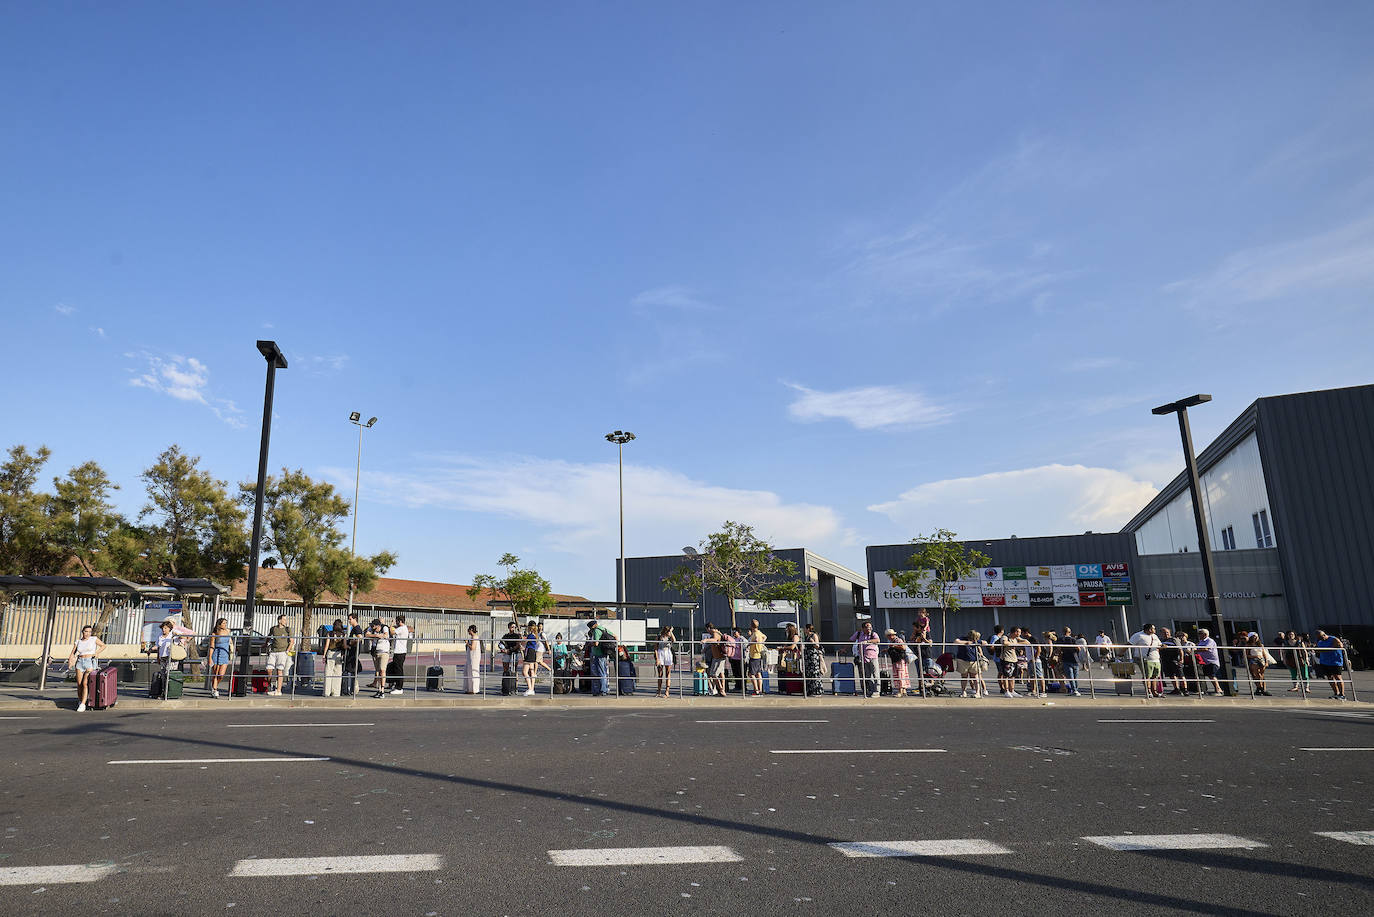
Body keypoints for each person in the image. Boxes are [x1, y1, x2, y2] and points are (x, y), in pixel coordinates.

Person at [68, 624, 106, 712]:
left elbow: (103, 645)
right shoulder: (78, 641)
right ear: (82, 632)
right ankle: (80, 700)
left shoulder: (93, 639)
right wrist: (70, 661)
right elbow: (72, 653)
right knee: (79, 684)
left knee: (85, 683)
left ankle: (83, 704)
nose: (88, 633)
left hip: (89, 662)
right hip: (80, 662)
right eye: (86, 631)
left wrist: (96, 653)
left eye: (89, 632)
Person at [1131, 624, 1163, 697]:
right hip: (1145, 659)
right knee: (1147, 676)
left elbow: (1159, 645)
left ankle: (1154, 691)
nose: (1155, 630)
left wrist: (1163, 646)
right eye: (1154, 628)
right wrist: (1120, 653)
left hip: (1155, 659)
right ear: (1149, 629)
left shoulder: (1154, 636)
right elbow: (1129, 644)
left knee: (1155, 676)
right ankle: (1148, 691)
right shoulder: (1138, 635)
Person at [850, 620, 881, 698]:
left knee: (875, 674)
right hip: (863, 657)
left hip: (873, 657)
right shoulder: (859, 634)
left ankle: (877, 691)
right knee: (867, 675)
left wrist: (867, 641)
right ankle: (870, 690)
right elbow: (851, 640)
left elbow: (878, 640)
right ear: (863, 628)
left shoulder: (873, 634)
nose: (869, 629)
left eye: (870, 627)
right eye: (867, 627)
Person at [1313, 630, 1347, 700]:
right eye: (1318, 638)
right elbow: (1316, 649)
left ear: (1324, 635)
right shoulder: (1319, 641)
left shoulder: (1333, 639)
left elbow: (1340, 646)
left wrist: (1324, 650)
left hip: (1335, 662)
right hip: (1325, 662)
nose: (1320, 639)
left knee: (1338, 677)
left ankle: (1342, 694)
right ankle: (1336, 693)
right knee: (1330, 678)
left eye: (1320, 637)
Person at [266, 614, 293, 697]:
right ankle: (270, 685)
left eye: (286, 619)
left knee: (279, 670)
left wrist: (287, 651)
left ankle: (278, 690)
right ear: (279, 620)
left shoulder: (287, 629)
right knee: (269, 669)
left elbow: (292, 641)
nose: (285, 621)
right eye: (284, 619)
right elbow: (269, 636)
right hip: (273, 651)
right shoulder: (273, 628)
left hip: (282, 652)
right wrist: (265, 644)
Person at [586, 618, 611, 697]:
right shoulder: (604, 629)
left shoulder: (596, 631)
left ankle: (603, 690)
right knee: (604, 672)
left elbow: (596, 643)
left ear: (592, 626)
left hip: (598, 654)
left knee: (601, 672)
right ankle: (605, 689)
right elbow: (615, 636)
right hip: (604, 653)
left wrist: (590, 644)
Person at [953, 630, 982, 698]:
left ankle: (978, 692)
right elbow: (956, 641)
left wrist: (976, 642)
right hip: (963, 660)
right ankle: (963, 692)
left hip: (974, 660)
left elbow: (985, 643)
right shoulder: (962, 638)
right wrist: (966, 642)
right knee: (964, 677)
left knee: (975, 677)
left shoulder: (976, 640)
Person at [208, 617, 232, 698]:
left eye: (226, 623)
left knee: (221, 675)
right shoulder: (215, 633)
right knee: (216, 673)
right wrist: (210, 658)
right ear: (219, 624)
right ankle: (214, 690)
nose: (225, 625)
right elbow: (212, 646)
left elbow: (230, 641)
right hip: (217, 653)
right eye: (224, 623)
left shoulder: (228, 631)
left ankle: (214, 687)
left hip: (225, 654)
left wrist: (232, 650)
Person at [369, 618, 392, 699]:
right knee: (378, 671)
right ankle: (379, 690)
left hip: (384, 652)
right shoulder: (372, 629)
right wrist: (376, 635)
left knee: (382, 670)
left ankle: (382, 690)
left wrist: (379, 635)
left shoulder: (384, 627)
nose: (372, 627)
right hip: (376, 652)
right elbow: (367, 634)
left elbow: (385, 635)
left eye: (374, 626)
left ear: (378, 626)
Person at [701, 623, 727, 696]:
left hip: (718, 658)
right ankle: (721, 690)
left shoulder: (715, 633)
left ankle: (722, 690)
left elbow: (715, 640)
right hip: (718, 657)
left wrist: (706, 640)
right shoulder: (717, 632)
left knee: (713, 674)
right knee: (720, 674)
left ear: (708, 628)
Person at [1195, 628, 1222, 695]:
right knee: (1204, 675)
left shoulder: (1210, 641)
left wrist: (1195, 650)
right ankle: (1204, 689)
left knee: (1211, 675)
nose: (1199, 635)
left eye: (1200, 634)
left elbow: (1206, 648)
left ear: (1205, 634)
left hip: (1211, 661)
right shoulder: (1201, 642)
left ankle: (1218, 689)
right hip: (1204, 662)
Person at [323, 618, 346, 698]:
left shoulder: (330, 633)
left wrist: (323, 655)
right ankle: (336, 692)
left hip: (330, 653)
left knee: (328, 672)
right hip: (339, 654)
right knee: (338, 674)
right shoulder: (343, 634)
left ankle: (326, 692)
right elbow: (344, 645)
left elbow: (326, 645)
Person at [343, 613, 364, 697]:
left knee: (351, 670)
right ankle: (352, 688)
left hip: (353, 653)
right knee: (351, 671)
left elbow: (360, 638)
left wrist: (351, 643)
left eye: (350, 619)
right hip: (352, 653)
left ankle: (351, 689)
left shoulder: (357, 628)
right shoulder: (354, 628)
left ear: (355, 619)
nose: (349, 621)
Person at [1057, 629, 1083, 696]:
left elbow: (1059, 649)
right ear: (1070, 632)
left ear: (1063, 632)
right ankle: (1076, 690)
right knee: (1075, 677)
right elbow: (1079, 649)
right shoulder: (1073, 640)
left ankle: (1074, 690)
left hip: (1066, 659)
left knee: (1070, 676)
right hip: (1074, 659)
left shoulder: (1061, 640)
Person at [885, 630, 911, 697]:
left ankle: (900, 691)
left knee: (900, 675)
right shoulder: (894, 641)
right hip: (896, 659)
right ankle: (904, 691)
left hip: (899, 660)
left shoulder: (898, 640)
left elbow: (903, 647)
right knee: (900, 675)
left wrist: (893, 646)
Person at [389, 615, 410, 694]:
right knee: (395, 668)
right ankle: (395, 685)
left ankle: (399, 688)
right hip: (398, 651)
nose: (396, 623)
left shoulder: (402, 628)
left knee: (399, 670)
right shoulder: (402, 628)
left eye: (397, 621)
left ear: (400, 621)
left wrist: (391, 624)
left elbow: (392, 632)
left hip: (400, 652)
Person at [802, 624, 825, 696]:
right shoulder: (806, 636)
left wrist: (813, 642)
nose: (804, 630)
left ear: (808, 629)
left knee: (814, 672)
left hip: (813, 655)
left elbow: (817, 646)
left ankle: (817, 690)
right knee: (808, 673)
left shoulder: (814, 635)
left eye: (805, 629)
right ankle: (810, 690)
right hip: (808, 656)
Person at [746, 620, 767, 696]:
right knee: (758, 673)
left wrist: (750, 644)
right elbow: (765, 637)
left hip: (754, 655)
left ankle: (756, 690)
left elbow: (756, 640)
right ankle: (760, 689)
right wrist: (761, 644)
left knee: (751, 674)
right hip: (758, 655)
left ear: (751, 626)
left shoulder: (755, 634)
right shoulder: (759, 632)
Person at [654, 626, 676, 697]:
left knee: (668, 673)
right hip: (661, 653)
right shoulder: (659, 637)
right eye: (668, 632)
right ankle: (659, 691)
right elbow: (655, 648)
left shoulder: (669, 637)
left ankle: (667, 691)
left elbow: (674, 640)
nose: (669, 633)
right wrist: (657, 659)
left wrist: (671, 632)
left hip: (668, 653)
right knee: (660, 673)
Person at [464, 625, 483, 694]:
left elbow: (472, 647)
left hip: (474, 657)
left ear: (471, 630)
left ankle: (474, 689)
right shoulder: (472, 637)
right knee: (467, 671)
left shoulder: (474, 637)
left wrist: (467, 643)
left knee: (473, 672)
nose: (468, 631)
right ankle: (469, 688)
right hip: (470, 657)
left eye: (469, 630)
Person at [725, 627, 744, 694]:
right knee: (735, 673)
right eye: (733, 631)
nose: (734, 633)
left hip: (740, 659)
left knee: (740, 673)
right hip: (733, 658)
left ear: (739, 632)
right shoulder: (733, 639)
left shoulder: (741, 639)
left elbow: (745, 647)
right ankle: (737, 686)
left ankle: (742, 687)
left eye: (735, 631)